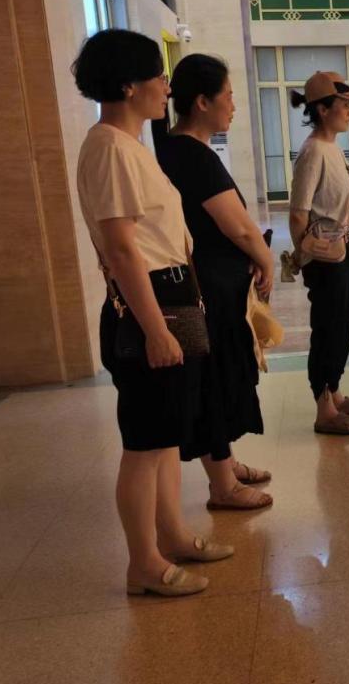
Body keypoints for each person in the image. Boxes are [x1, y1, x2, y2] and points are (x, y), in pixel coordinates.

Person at [73, 29, 232, 597]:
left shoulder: (130, 144)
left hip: (170, 296)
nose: (168, 86)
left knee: (165, 436)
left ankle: (173, 536)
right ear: (128, 84)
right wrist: (156, 328)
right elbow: (121, 250)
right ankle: (144, 562)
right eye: (159, 76)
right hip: (150, 305)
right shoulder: (111, 149)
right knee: (144, 445)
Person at [156, 53, 274, 511]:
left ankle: (225, 464)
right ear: (202, 102)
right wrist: (264, 258)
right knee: (214, 379)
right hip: (209, 287)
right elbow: (237, 226)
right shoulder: (191, 155)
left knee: (216, 377)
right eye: (228, 96)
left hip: (205, 283)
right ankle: (222, 484)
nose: (234, 105)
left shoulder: (173, 149)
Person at [288, 71, 349, 435]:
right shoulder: (312, 152)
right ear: (323, 110)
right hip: (325, 255)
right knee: (327, 326)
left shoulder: (332, 147)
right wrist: (306, 255)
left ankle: (334, 391)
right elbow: (298, 213)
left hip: (345, 244)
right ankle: (324, 408)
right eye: (343, 106)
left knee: (343, 321)